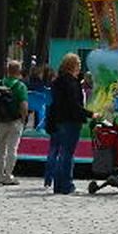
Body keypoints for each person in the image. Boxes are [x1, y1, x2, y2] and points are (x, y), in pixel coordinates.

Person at [48, 53, 95, 195]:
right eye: (78, 64)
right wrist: (90, 114)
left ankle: (58, 185)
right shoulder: (72, 83)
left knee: (61, 153)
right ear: (73, 66)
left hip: (58, 120)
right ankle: (67, 185)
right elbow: (74, 105)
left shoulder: (57, 81)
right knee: (68, 154)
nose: (80, 67)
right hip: (71, 121)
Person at [0, 60, 29, 185]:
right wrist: (23, 118)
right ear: (19, 71)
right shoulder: (20, 86)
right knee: (12, 149)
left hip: (0, 120)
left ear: (7, 70)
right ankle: (8, 175)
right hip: (15, 120)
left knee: (0, 148)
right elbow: (24, 105)